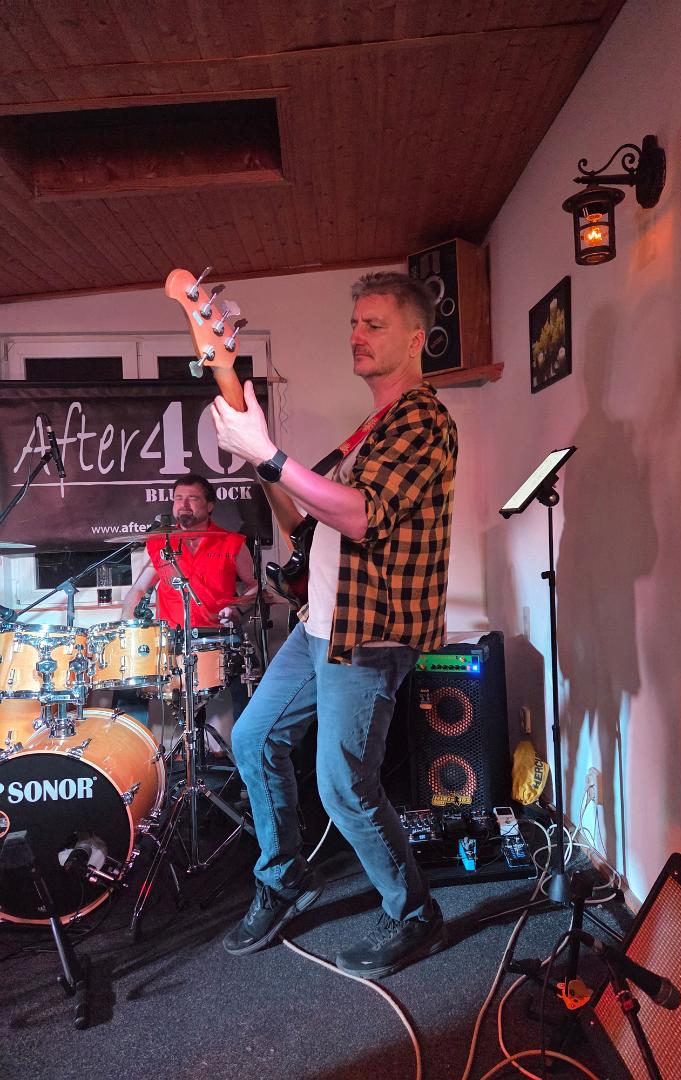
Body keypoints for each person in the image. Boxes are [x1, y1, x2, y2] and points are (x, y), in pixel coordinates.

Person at [210, 271, 457, 978]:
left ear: (416, 338)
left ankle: (415, 914)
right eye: (354, 322)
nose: (357, 333)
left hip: (367, 634)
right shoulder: (370, 430)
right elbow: (305, 522)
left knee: (345, 786)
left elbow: (362, 515)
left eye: (374, 324)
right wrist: (262, 463)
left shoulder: (424, 420)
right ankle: (284, 877)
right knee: (254, 737)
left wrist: (270, 454)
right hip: (321, 621)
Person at [120, 475, 258, 733]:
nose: (183, 504)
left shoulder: (232, 542)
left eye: (192, 498)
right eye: (178, 499)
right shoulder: (160, 543)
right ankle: (132, 746)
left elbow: (253, 585)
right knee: (128, 677)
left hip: (220, 635)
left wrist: (237, 609)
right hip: (173, 638)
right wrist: (128, 633)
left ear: (210, 505)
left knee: (250, 681)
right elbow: (139, 589)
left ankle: (247, 749)